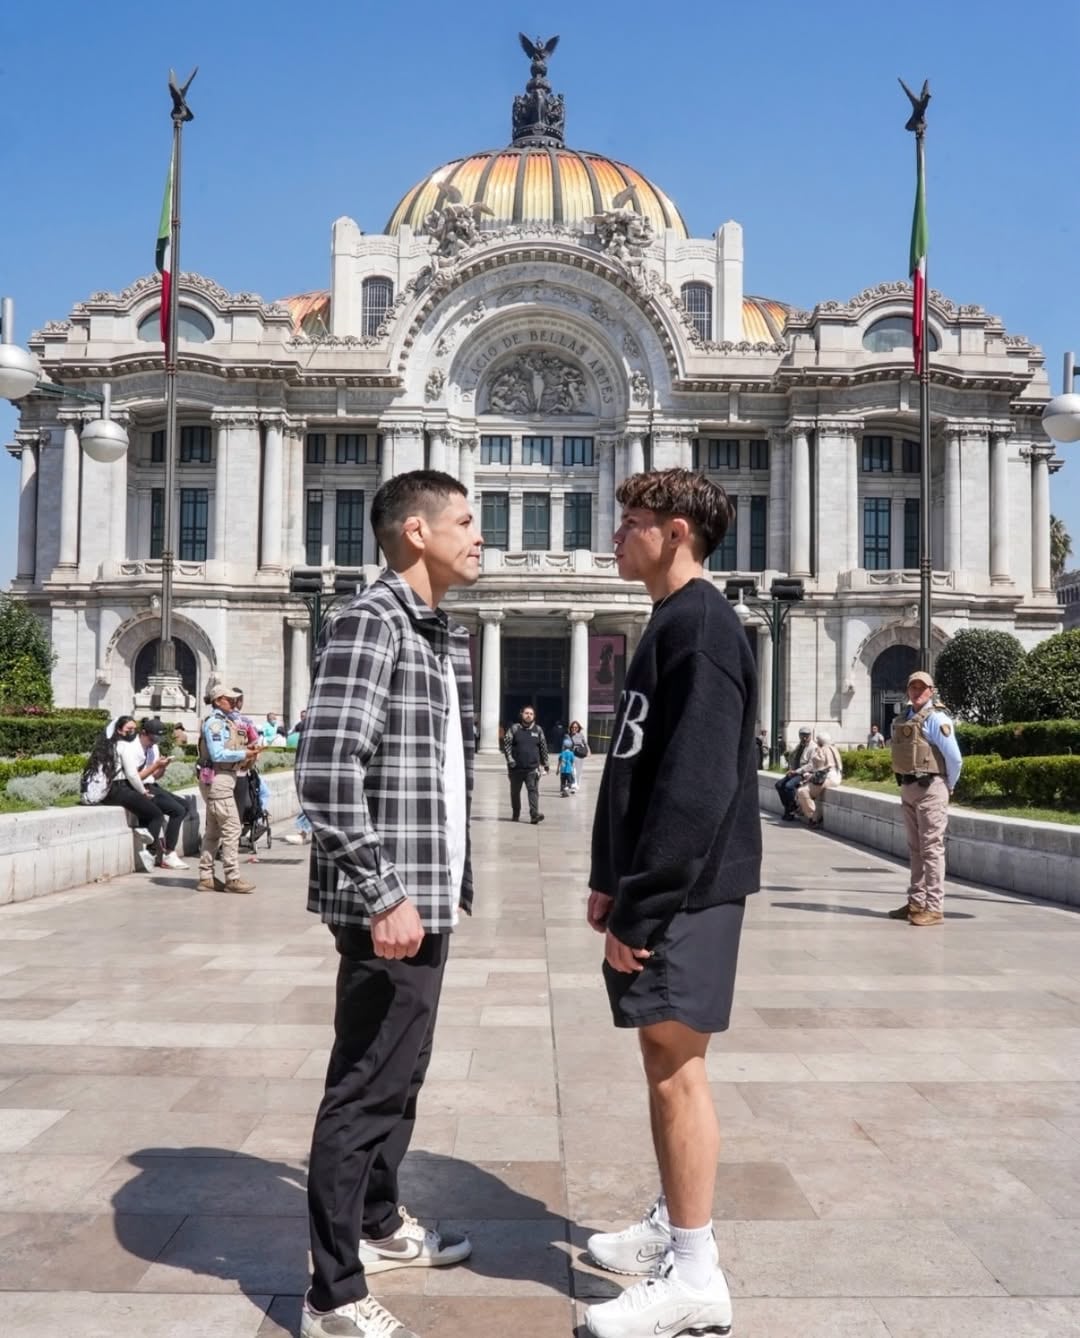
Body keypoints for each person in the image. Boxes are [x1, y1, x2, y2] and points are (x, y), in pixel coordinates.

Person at [296, 470, 482, 1338]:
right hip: (390, 905)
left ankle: (377, 1224)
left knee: (400, 1079)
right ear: (415, 531)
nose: (480, 537)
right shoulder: (370, 622)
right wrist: (384, 892)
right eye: (465, 521)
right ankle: (331, 1293)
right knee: (366, 1089)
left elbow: (438, 774)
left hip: (426, 899)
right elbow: (326, 773)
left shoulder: (441, 635)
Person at [584, 468, 760, 1338]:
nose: (617, 534)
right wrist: (609, 874)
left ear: (679, 530)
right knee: (666, 1064)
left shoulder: (704, 626)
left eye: (633, 521)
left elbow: (695, 789)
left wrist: (640, 909)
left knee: (678, 1074)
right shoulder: (670, 621)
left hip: (687, 893)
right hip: (663, 890)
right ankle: (672, 1225)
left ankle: (696, 1272)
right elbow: (635, 760)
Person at [887, 670, 963, 926]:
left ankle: (934, 907)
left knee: (931, 849)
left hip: (931, 786)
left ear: (931, 691)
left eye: (922, 688)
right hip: (909, 786)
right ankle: (916, 902)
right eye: (913, 688)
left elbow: (954, 758)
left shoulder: (937, 718)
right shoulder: (906, 717)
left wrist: (948, 785)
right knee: (915, 849)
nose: (917, 692)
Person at [197, 677, 260, 894]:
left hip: (224, 778)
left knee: (213, 831)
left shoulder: (225, 721)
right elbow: (217, 754)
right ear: (218, 700)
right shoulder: (215, 723)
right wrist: (244, 753)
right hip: (219, 779)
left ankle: (205, 876)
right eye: (229, 700)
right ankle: (232, 877)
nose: (234, 703)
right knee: (232, 828)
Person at [81, 716, 161, 873]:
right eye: (128, 730)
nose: (132, 733)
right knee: (156, 814)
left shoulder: (105, 745)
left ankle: (141, 828)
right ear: (119, 730)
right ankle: (151, 852)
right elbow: (132, 774)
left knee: (143, 809)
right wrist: (143, 791)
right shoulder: (123, 746)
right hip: (119, 789)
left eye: (134, 729)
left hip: (107, 792)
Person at [133, 717, 190, 869]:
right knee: (177, 811)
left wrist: (162, 767)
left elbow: (155, 776)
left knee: (185, 805)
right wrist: (155, 766)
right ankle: (169, 853)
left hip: (151, 784)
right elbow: (136, 777)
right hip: (139, 787)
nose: (154, 741)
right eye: (153, 738)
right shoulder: (134, 748)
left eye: (158, 738)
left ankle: (165, 846)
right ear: (143, 733)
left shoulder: (153, 748)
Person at [501, 704, 549, 823]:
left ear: (534, 716)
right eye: (526, 713)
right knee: (515, 793)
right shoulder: (514, 729)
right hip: (516, 769)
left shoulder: (538, 730)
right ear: (521, 714)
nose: (529, 716)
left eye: (531, 714)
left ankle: (534, 815)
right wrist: (510, 760)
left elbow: (543, 747)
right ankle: (516, 813)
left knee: (533, 791)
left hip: (532, 768)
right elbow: (506, 745)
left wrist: (546, 763)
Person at [795, 729, 843, 828]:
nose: (816, 742)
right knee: (809, 790)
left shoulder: (822, 750)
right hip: (836, 778)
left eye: (817, 740)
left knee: (802, 791)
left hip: (827, 778)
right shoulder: (834, 749)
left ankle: (813, 817)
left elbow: (818, 766)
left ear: (820, 741)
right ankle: (807, 811)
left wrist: (809, 776)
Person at [773, 727, 815, 820]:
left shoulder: (813, 747)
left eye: (806, 736)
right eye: (802, 736)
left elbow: (811, 765)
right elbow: (794, 758)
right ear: (799, 736)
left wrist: (796, 771)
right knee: (779, 785)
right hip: (794, 772)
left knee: (788, 786)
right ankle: (789, 808)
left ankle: (794, 807)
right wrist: (791, 769)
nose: (804, 738)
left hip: (804, 774)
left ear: (810, 736)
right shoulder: (799, 746)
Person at [568, 719, 590, 792]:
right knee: (572, 770)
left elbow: (585, 743)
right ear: (570, 728)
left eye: (576, 727)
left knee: (579, 771)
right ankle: (574, 783)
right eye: (573, 727)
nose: (574, 729)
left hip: (580, 754)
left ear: (578, 728)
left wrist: (588, 751)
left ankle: (577, 784)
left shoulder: (581, 735)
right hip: (571, 754)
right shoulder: (568, 735)